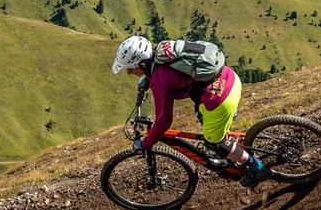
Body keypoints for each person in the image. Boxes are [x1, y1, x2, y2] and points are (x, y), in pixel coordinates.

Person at [111, 36, 272, 187]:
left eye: (130, 70)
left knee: (215, 143)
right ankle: (230, 144)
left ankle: (257, 168)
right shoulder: (163, 51)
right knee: (206, 119)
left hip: (221, 100)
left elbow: (164, 120)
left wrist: (145, 144)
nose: (130, 74)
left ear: (141, 64)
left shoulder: (159, 81)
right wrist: (147, 78)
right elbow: (175, 71)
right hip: (229, 77)